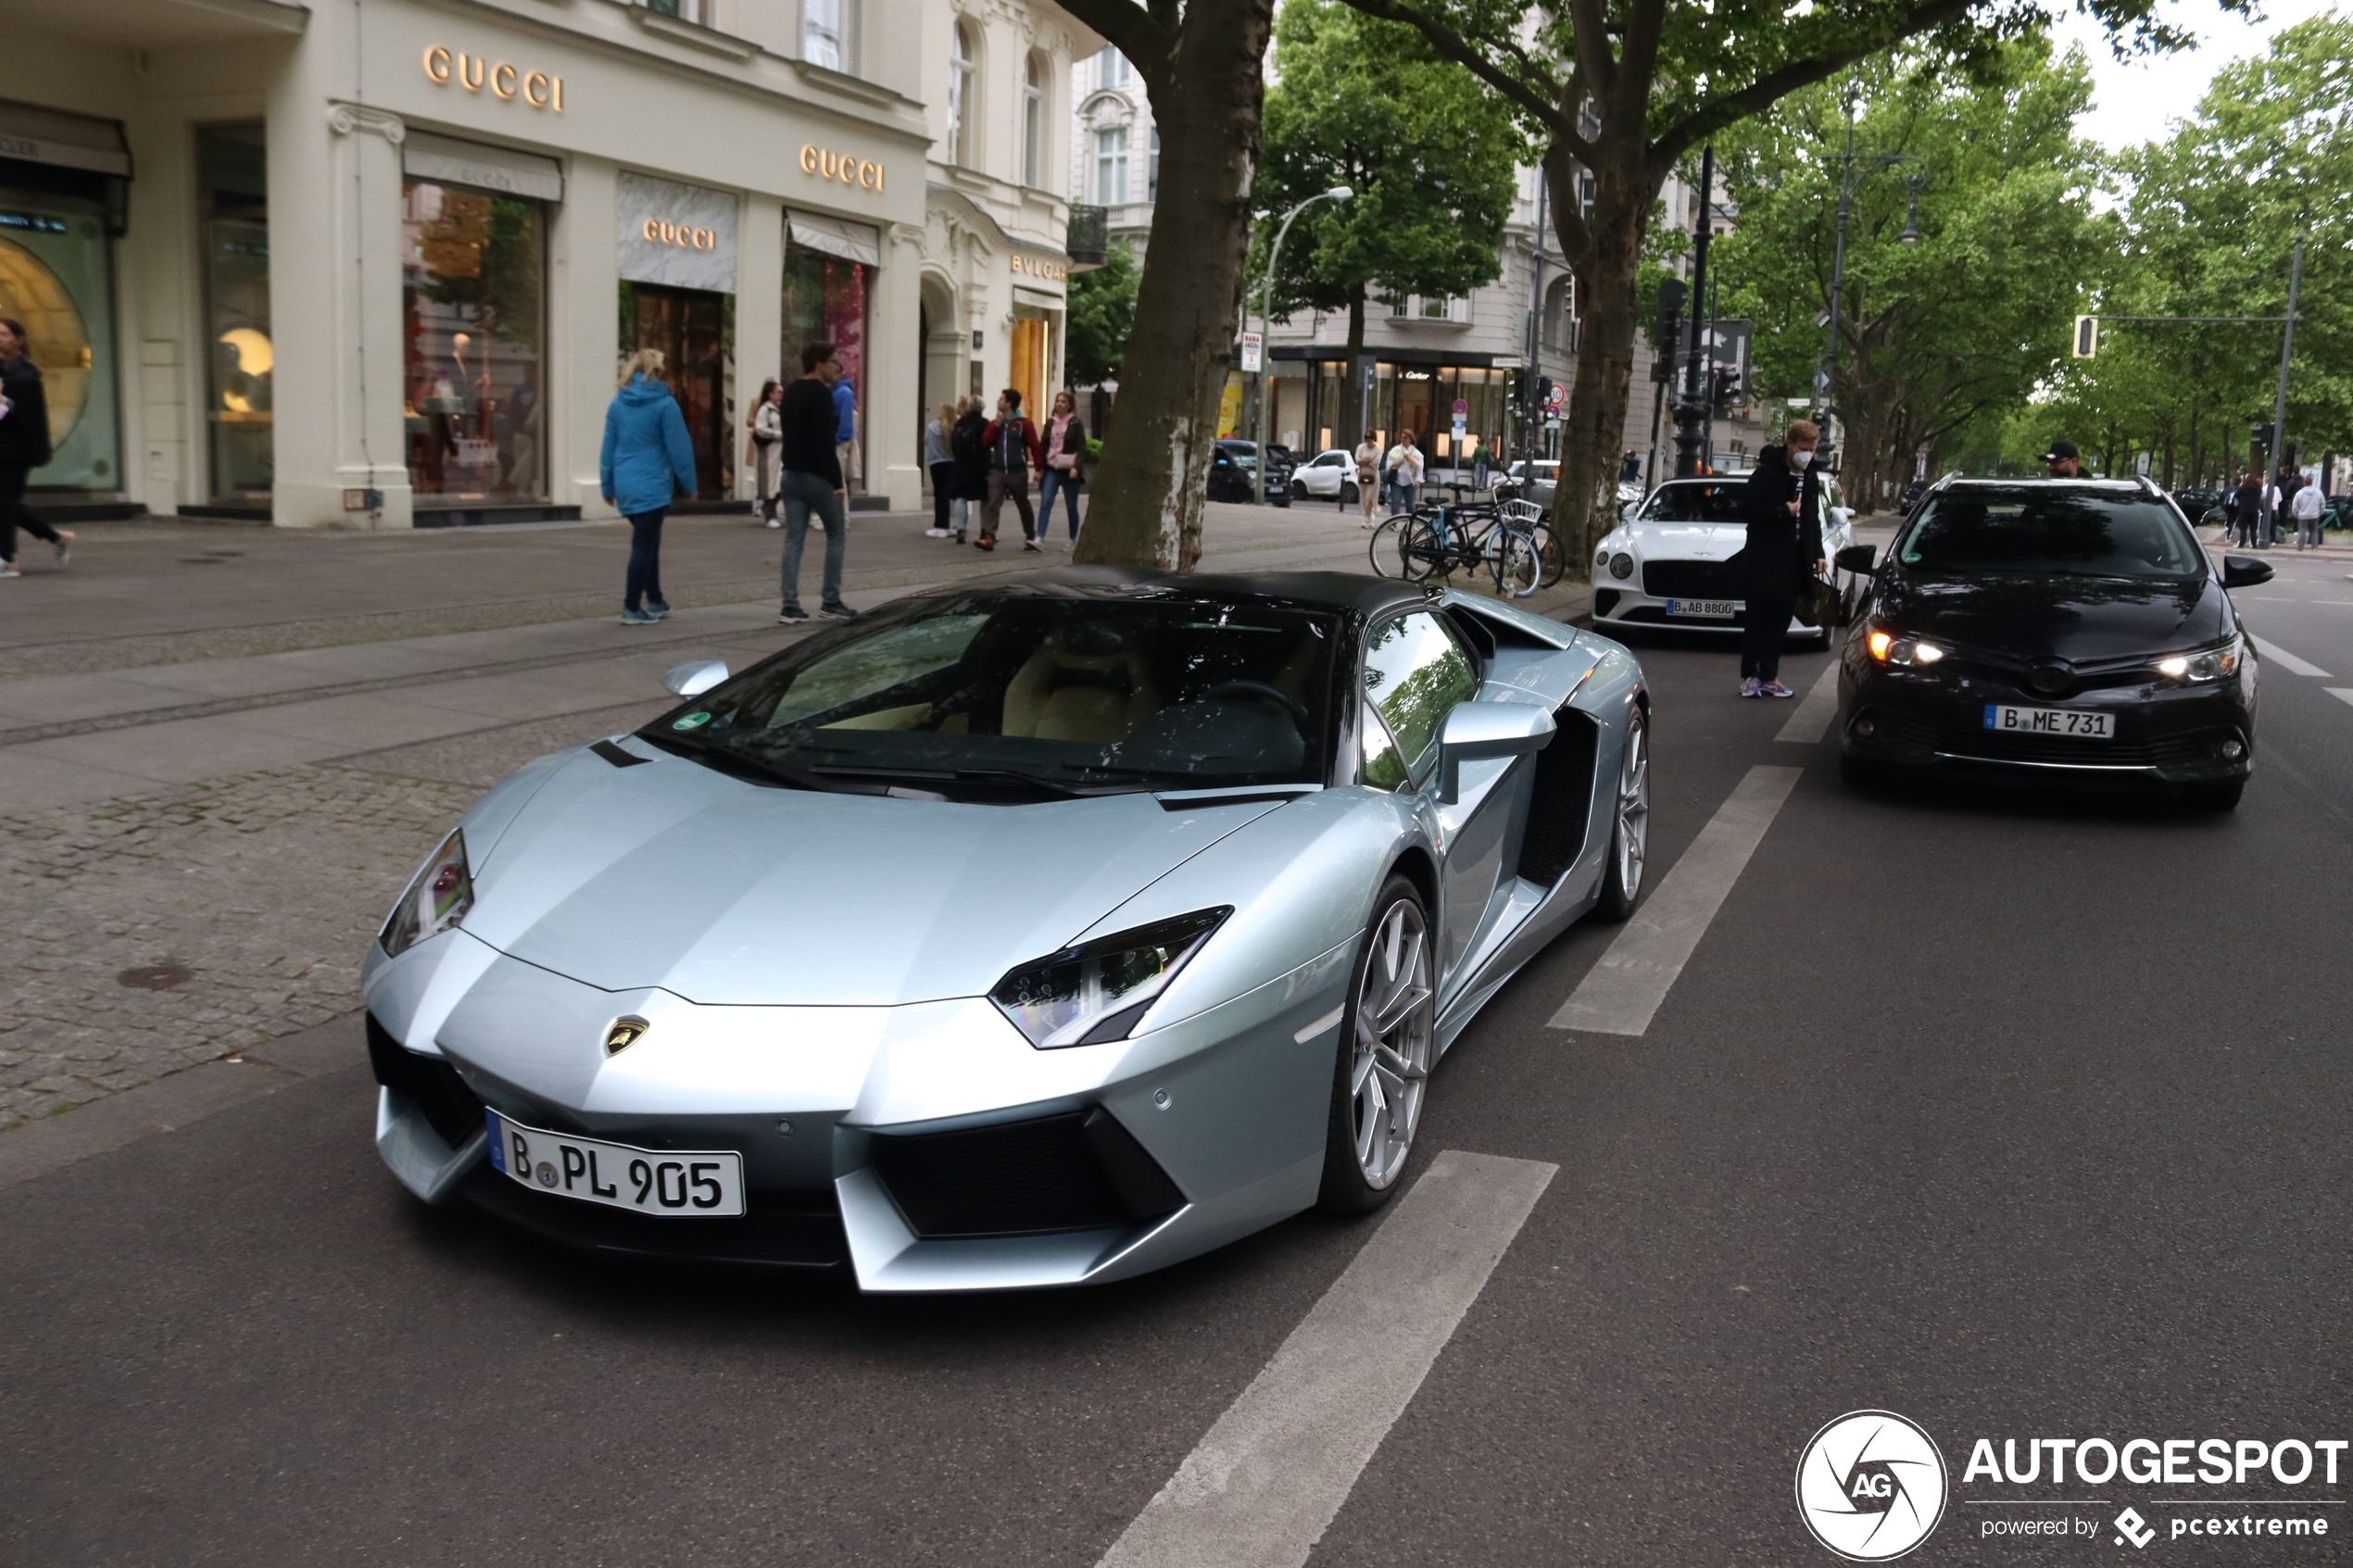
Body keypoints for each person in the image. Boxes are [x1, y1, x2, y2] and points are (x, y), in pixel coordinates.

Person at [598, 348, 697, 626]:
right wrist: (690, 484)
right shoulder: (665, 405)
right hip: (652, 483)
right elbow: (679, 448)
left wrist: (607, 484)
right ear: (658, 372)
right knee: (644, 544)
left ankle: (655, 598)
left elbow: (609, 447)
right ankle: (632, 606)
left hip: (626, 482)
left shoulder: (618, 404)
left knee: (649, 540)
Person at [1737, 419, 1830, 698]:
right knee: (1758, 619)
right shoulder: (1768, 473)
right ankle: (1749, 675)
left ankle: (1769, 676)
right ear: (1790, 444)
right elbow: (1748, 510)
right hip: (1765, 559)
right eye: (1804, 447)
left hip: (1795, 559)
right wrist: (1782, 512)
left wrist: (1818, 553)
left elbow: (1811, 516)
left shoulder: (1811, 475)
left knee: (1780, 621)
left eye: (1812, 449)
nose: (1808, 454)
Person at [775, 341, 857, 622]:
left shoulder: (791, 391)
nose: (838, 367)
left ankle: (789, 605)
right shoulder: (822, 394)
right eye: (834, 361)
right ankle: (831, 601)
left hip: (791, 475)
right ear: (819, 363)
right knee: (836, 535)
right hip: (817, 476)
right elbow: (825, 442)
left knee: (794, 539)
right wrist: (837, 482)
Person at [0, 317, 68, 578]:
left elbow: (30, 417)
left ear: (19, 341)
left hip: (17, 453)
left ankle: (7, 561)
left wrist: (7, 402)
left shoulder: (28, 375)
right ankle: (54, 537)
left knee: (4, 502)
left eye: (5, 334)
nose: (0, 339)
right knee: (7, 505)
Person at [978, 387, 1043, 553]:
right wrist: (995, 426)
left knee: (1023, 504)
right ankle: (989, 537)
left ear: (1009, 404)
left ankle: (1030, 535)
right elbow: (985, 442)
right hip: (998, 470)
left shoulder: (1024, 424)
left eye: (1001, 399)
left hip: (1017, 471)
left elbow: (1035, 446)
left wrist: (1038, 468)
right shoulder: (997, 423)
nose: (998, 402)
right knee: (993, 503)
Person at [1038, 390, 1087, 542]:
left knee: (1071, 506)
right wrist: (1040, 468)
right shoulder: (1050, 422)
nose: (1060, 404)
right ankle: (1039, 537)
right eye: (1058, 401)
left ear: (1069, 405)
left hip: (1068, 468)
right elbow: (1043, 445)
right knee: (1045, 502)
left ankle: (1073, 539)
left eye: (1063, 402)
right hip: (1052, 467)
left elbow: (1081, 447)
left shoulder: (1075, 423)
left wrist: (1076, 467)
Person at [949, 395, 989, 544]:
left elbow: (953, 444)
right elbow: (987, 444)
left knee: (961, 497)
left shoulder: (959, 423)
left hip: (961, 464)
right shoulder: (984, 423)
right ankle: (985, 531)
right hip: (979, 465)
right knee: (985, 498)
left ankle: (960, 529)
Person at [749, 379, 784, 528]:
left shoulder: (780, 409)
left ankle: (768, 509)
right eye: (778, 392)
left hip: (781, 452)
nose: (781, 395)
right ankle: (770, 514)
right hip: (769, 452)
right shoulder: (765, 410)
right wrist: (778, 434)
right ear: (770, 394)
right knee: (770, 482)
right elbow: (760, 428)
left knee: (782, 482)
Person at [923, 402, 959, 538]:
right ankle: (952, 525)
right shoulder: (954, 428)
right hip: (951, 464)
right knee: (950, 496)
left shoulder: (931, 428)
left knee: (939, 495)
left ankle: (940, 525)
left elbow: (926, 441)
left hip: (936, 464)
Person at [1386, 430, 1424, 516]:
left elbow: (1419, 467)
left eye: (1405, 438)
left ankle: (1409, 524)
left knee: (1410, 505)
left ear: (1411, 439)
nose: (1403, 439)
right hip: (1397, 481)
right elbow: (1389, 465)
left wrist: (1418, 480)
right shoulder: (1395, 450)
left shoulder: (1416, 453)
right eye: (1402, 437)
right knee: (1395, 503)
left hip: (1410, 482)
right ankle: (1393, 523)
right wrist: (1398, 462)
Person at [832, 372, 858, 494]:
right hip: (837, 441)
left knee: (837, 481)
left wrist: (838, 439)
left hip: (839, 443)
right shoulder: (836, 392)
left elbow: (846, 425)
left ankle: (841, 511)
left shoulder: (843, 393)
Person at [1353, 432, 1382, 526]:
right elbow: (1357, 459)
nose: (1369, 439)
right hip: (1363, 474)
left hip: (1373, 475)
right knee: (1364, 497)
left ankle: (1366, 518)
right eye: (1367, 437)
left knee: (1370, 496)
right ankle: (1371, 516)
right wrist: (1367, 462)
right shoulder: (1361, 447)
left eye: (1371, 437)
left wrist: (1364, 462)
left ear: (1374, 438)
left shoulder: (1378, 449)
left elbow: (1376, 463)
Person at [2290, 471, 2324, 550]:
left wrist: (2297, 514)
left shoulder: (2299, 493)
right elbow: (2322, 504)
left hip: (2302, 516)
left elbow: (2295, 506)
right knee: (2314, 531)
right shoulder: (2318, 492)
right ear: (2312, 483)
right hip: (2314, 515)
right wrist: (2319, 513)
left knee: (2302, 531)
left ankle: (2300, 547)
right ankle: (2315, 547)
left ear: (2304, 483)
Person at [2233, 471, 2266, 549]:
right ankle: (2254, 544)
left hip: (2244, 510)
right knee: (2253, 529)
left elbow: (2236, 495)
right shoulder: (2258, 489)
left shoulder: (2243, 488)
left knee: (2243, 528)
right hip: (2254, 510)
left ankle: (2242, 543)